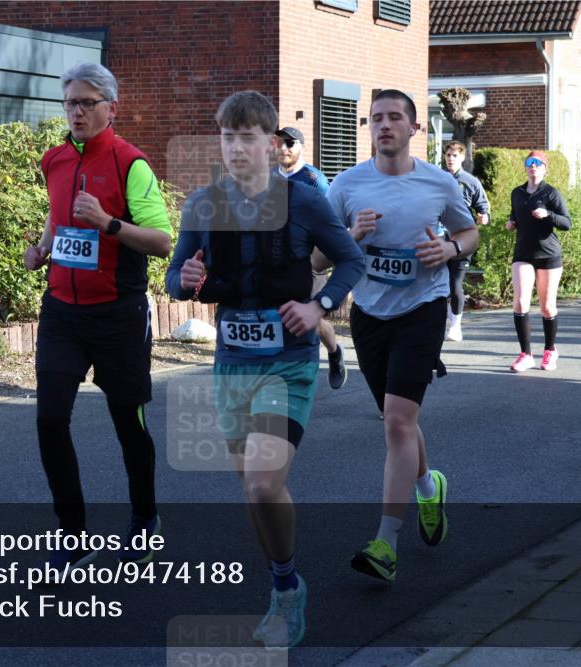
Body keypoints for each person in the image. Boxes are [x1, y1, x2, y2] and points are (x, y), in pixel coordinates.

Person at [167, 91, 363, 648]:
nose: (236, 148)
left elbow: (350, 259)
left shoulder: (304, 201)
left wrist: (319, 307)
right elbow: (175, 273)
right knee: (254, 493)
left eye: (248, 137)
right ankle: (284, 579)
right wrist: (181, 281)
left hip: (288, 365)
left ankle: (285, 592)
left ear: (273, 145)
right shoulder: (203, 206)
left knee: (261, 481)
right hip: (231, 364)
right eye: (227, 137)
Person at [321, 90, 478, 583]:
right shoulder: (345, 185)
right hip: (369, 313)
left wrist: (450, 248)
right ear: (368, 128)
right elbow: (316, 259)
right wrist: (351, 237)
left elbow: (470, 232)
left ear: (415, 128)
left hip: (422, 309)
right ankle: (429, 486)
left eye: (395, 118)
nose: (384, 125)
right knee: (398, 420)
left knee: (395, 422)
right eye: (376, 118)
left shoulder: (438, 183)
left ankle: (385, 545)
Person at [23, 62, 172, 568]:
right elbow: (57, 212)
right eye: (71, 103)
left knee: (127, 421)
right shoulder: (54, 159)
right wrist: (42, 248)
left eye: (88, 103)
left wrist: (108, 223)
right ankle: (72, 535)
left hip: (117, 315)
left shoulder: (132, 164)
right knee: (48, 421)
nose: (78, 112)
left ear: (112, 107)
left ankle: (144, 516)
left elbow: (161, 241)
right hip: (62, 312)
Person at [274, 126, 347, 388]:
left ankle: (334, 350)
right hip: (276, 259)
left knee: (309, 316)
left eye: (290, 143)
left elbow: (327, 222)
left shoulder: (315, 179)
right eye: (280, 143)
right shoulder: (268, 177)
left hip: (310, 258)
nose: (283, 148)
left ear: (301, 147)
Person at [505, 150, 571, 372]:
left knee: (547, 306)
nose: (533, 166)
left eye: (538, 163)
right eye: (529, 162)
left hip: (548, 254)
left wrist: (548, 215)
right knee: (521, 301)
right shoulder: (517, 193)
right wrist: (511, 222)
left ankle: (550, 350)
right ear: (525, 167)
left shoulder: (551, 193)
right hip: (523, 253)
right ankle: (525, 354)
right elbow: (515, 214)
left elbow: (567, 223)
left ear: (545, 168)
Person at [441, 140, 490, 341]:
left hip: (462, 239)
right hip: (438, 238)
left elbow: (484, 209)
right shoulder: (437, 178)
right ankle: (439, 321)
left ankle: (455, 325)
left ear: (462, 157)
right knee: (437, 284)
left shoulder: (471, 182)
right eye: (448, 155)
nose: (451, 159)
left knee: (455, 284)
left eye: (455, 155)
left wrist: (484, 217)